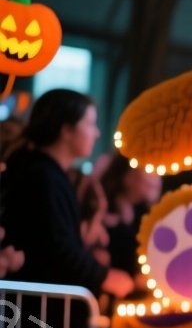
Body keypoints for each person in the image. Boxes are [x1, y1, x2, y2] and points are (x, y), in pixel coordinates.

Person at [0, 89, 134, 298]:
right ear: (66, 130)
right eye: (90, 124)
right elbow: (58, 250)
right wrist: (103, 276)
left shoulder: (44, 172)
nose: (97, 133)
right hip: (34, 317)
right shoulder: (42, 176)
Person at [100, 157, 164, 278]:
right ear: (127, 177)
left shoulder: (147, 215)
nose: (154, 176)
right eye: (147, 169)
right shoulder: (107, 213)